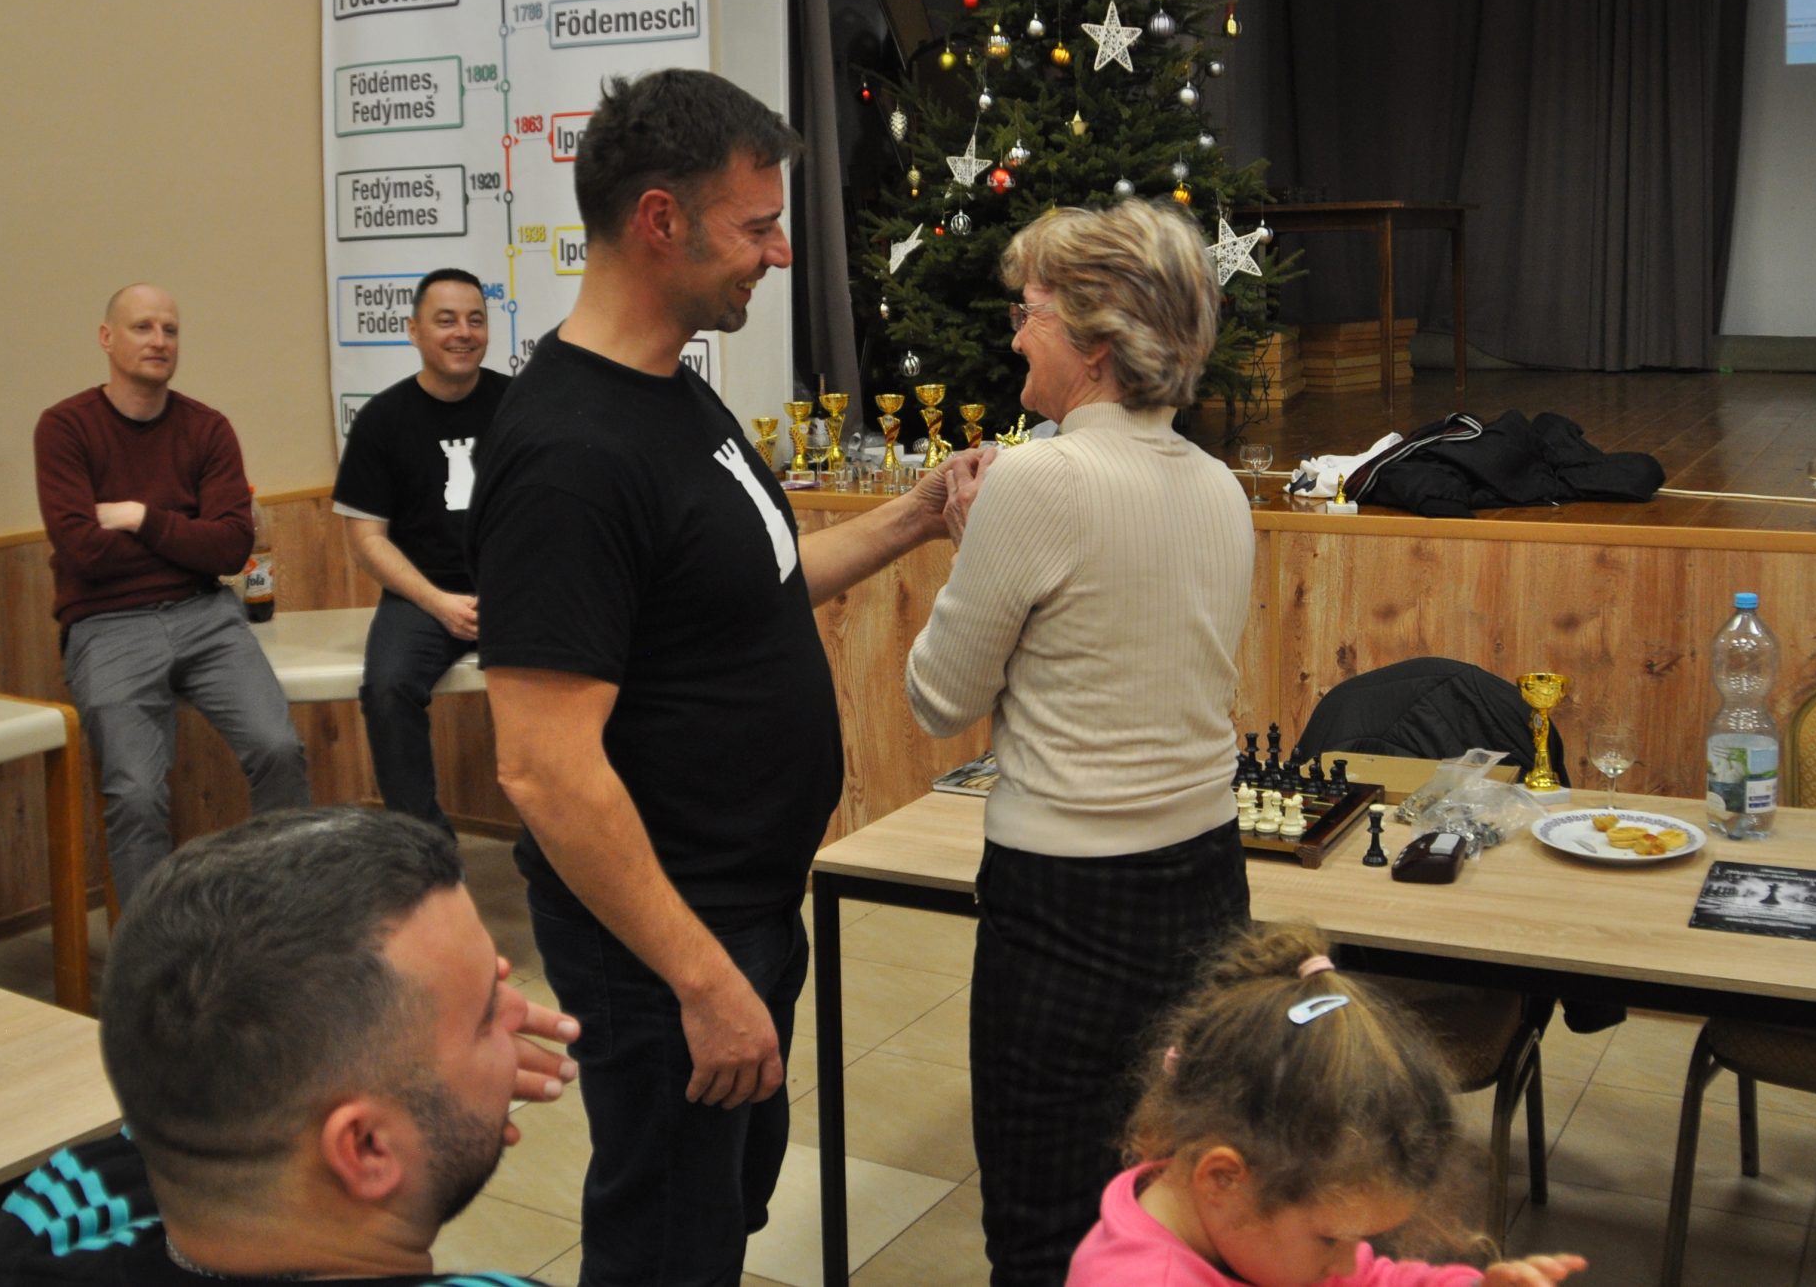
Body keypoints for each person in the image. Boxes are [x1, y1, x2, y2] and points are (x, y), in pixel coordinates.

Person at [468, 68, 983, 1287]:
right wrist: (700, 978)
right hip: (667, 934)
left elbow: (755, 585)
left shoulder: (672, 389)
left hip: (740, 906)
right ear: (661, 220)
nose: (780, 251)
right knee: (665, 1244)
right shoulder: (567, 454)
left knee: (718, 1210)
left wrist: (915, 515)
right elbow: (543, 767)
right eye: (757, 225)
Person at [903, 200, 1257, 1287]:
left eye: (1031, 313)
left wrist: (973, 548)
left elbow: (937, 696)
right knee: (1175, 1213)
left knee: (1044, 1223)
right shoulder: (1218, 482)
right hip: (1208, 886)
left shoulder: (1039, 478)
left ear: (1096, 344)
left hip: (1066, 903)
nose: (1016, 336)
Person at [0, 806, 582, 1285]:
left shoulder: (52, 1224)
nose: (517, 1012)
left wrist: (434, 1095)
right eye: (486, 1016)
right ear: (366, 1148)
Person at [1066, 923, 1587, 1287]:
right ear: (1223, 1179)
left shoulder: (1258, 1227)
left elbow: (1372, 1279)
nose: (1347, 1266)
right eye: (1333, 1241)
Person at [34, 283, 310, 906]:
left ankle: (285, 915)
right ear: (107, 338)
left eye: (170, 330)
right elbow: (83, 551)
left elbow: (230, 549)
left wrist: (139, 517)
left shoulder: (207, 428)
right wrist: (187, 536)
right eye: (142, 327)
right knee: (135, 794)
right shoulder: (65, 428)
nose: (158, 341)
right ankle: (149, 953)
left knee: (279, 749)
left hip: (205, 614)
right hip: (106, 624)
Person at [333, 267, 509, 831]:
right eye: (446, 320)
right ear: (413, 330)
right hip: (422, 597)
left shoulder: (521, 405)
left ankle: (559, 850)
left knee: (581, 677)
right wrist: (439, 603)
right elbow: (367, 540)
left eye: (475, 319)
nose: (464, 332)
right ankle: (423, 848)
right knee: (387, 690)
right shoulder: (381, 421)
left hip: (515, 590)